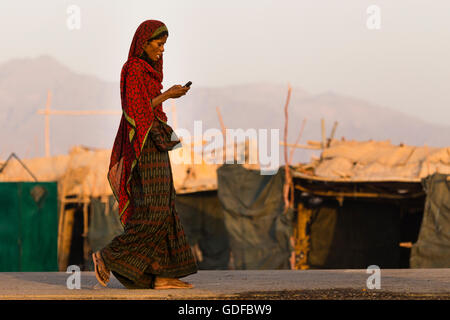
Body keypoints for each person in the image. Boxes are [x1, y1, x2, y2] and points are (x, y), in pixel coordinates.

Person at [92, 20, 198, 289]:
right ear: (144, 43)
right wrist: (167, 96)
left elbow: (149, 108)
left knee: (166, 205)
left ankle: (161, 274)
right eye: (158, 44)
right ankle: (108, 255)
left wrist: (166, 94)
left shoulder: (149, 73)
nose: (162, 50)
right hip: (143, 146)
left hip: (156, 141)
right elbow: (136, 108)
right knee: (153, 209)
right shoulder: (134, 69)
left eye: (164, 45)